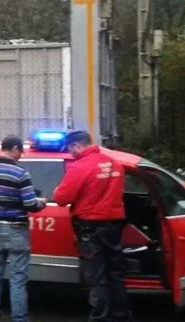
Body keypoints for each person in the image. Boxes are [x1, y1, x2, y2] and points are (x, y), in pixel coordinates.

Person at [52, 130, 132, 322]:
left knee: (96, 276)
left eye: (70, 150)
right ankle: (121, 315)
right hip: (114, 226)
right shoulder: (115, 163)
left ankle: (99, 317)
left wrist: (56, 190)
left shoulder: (80, 167)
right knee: (115, 273)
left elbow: (61, 198)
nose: (71, 154)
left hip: (90, 227)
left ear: (76, 146)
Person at [0, 135, 46, 322]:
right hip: (16, 229)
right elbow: (31, 204)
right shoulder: (20, 173)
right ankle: (20, 319)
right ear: (14, 148)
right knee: (17, 279)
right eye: (20, 151)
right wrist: (42, 202)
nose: (20, 156)